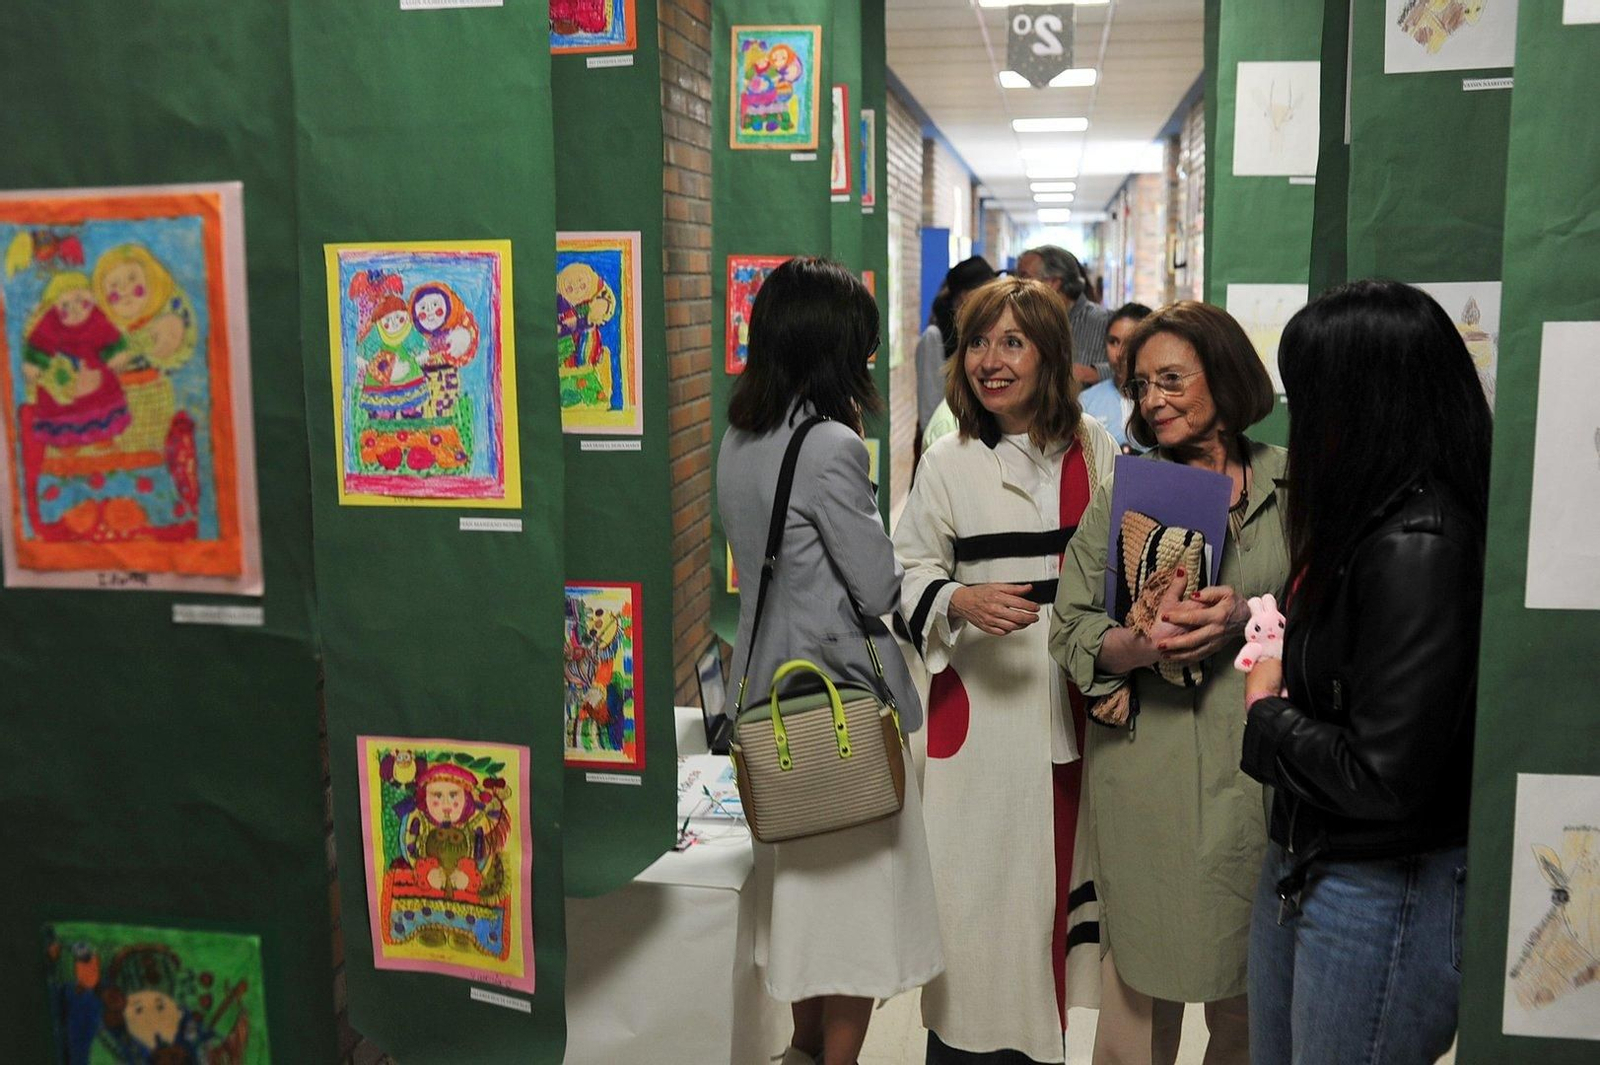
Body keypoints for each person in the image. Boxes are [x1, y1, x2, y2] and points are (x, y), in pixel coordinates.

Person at [1242, 280, 1490, 1065]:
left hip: (1382, 885)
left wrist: (1266, 713)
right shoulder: (1365, 513)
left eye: (1311, 395)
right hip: (1312, 855)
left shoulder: (1422, 544)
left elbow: (1385, 775)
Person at [717, 257, 944, 1065]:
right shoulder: (831, 445)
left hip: (770, 704)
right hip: (842, 707)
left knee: (807, 909)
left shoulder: (739, 436)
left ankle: (803, 1050)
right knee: (857, 919)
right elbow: (878, 583)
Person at [1048, 301, 1286, 1065]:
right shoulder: (1129, 494)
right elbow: (1069, 629)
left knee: (1249, 1002)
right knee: (1139, 998)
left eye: (1172, 380)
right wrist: (1141, 645)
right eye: (1141, 384)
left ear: (1225, 373)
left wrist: (1246, 613)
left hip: (1261, 775)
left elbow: (1336, 613)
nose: (1153, 400)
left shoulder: (1292, 483)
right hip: (1149, 775)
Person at [896, 277, 1119, 1063]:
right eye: (979, 342)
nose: (991, 360)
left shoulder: (1093, 446)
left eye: (1013, 342)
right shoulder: (948, 459)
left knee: (1048, 915)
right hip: (982, 723)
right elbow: (907, 569)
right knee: (976, 914)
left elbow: (1122, 562)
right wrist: (959, 597)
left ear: (1049, 354)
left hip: (1074, 715)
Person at [916, 256, 998, 450]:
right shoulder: (934, 337)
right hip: (949, 442)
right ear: (963, 296)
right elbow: (929, 411)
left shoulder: (982, 331)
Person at [1015, 245, 1111, 388]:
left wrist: (1093, 373)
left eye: (1024, 277)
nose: (1015, 284)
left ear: (1053, 283)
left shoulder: (1104, 323)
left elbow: (1132, 367)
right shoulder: (1018, 321)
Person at [1076, 302, 1151, 451]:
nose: (1120, 353)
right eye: (1113, 342)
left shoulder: (1159, 401)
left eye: (1130, 342)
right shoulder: (1086, 402)